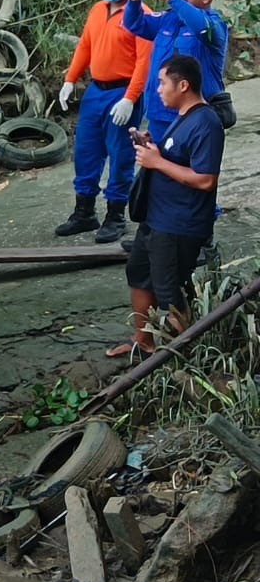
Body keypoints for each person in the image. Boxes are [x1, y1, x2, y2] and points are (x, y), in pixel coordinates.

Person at [109, 55, 223, 359]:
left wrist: (156, 162)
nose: (157, 89)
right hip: (157, 219)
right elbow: (177, 158)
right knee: (139, 274)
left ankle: (187, 358)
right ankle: (143, 343)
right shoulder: (183, 116)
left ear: (183, 85)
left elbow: (205, 180)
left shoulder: (207, 123)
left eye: (162, 83)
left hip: (179, 225)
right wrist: (153, 149)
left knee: (169, 292)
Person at [55, 0, 153, 243]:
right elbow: (85, 45)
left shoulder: (140, 16)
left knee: (121, 154)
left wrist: (130, 99)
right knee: (86, 150)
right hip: (96, 91)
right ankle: (84, 212)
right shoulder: (98, 10)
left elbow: (144, 63)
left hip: (122, 92)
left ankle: (115, 216)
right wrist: (70, 79)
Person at [123, 0, 228, 146]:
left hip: (193, 116)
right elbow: (134, 24)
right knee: (157, 168)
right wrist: (134, 0)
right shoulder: (168, 19)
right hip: (159, 113)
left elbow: (199, 25)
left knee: (187, 170)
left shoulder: (215, 25)